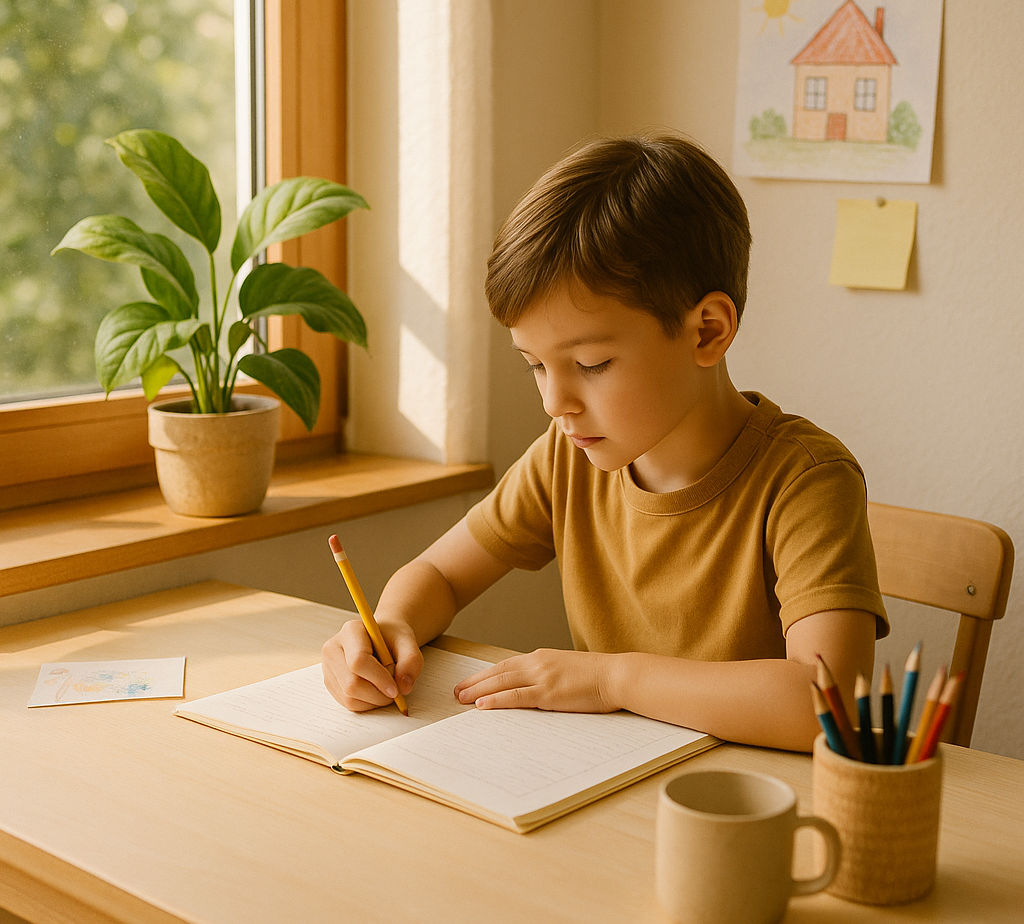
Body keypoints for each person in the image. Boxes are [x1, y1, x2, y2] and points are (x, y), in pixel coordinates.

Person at [322, 133, 888, 751]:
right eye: (535, 365)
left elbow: (829, 705)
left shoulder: (806, 480)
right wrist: (392, 627)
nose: (553, 402)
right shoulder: (568, 455)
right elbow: (440, 573)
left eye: (591, 364)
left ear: (707, 331)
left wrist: (613, 678)